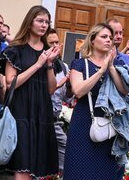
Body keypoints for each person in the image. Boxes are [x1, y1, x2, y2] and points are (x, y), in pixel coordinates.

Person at [0, 5, 60, 180]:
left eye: (47, 22)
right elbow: (11, 83)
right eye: (40, 21)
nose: (44, 25)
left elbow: (51, 89)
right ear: (30, 22)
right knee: (22, 166)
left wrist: (48, 65)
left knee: (35, 167)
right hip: (21, 111)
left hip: (42, 111)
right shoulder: (15, 50)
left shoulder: (48, 51)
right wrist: (38, 64)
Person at [64, 23, 129, 180]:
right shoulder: (80, 64)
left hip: (109, 127)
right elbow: (78, 91)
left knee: (105, 173)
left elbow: (124, 91)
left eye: (110, 38)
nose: (109, 40)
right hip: (84, 121)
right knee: (79, 170)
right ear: (92, 40)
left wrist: (111, 68)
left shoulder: (117, 65)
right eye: (104, 37)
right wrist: (101, 71)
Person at [47, 29, 70, 177]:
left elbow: (67, 98)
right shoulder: (39, 64)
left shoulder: (64, 67)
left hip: (55, 121)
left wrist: (71, 88)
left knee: (66, 152)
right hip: (39, 119)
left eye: (57, 42)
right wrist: (58, 84)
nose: (55, 46)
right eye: (51, 43)